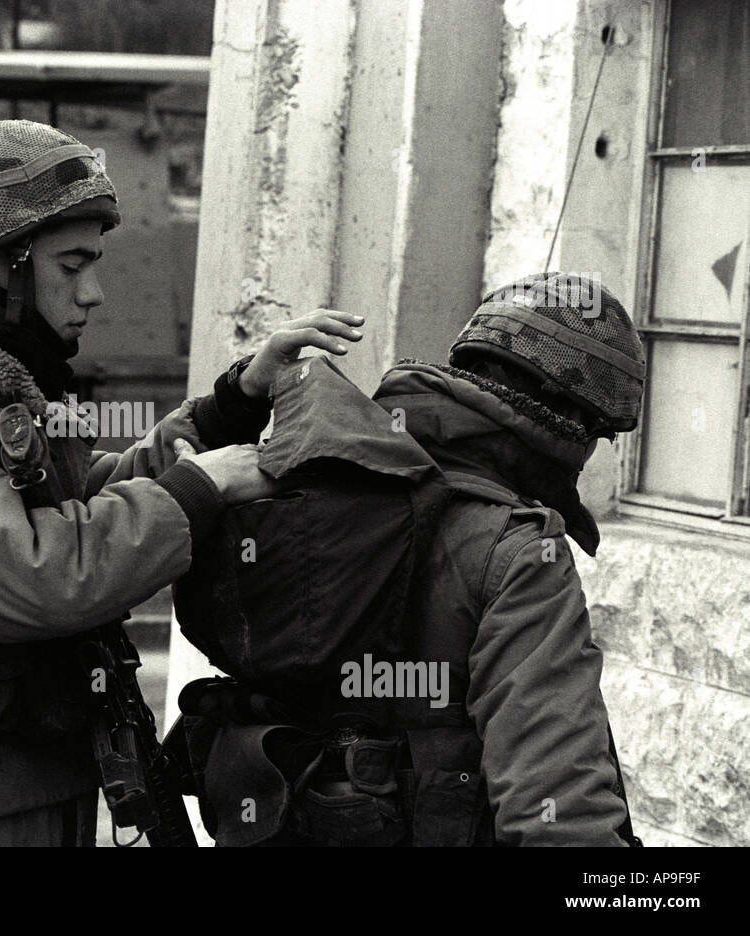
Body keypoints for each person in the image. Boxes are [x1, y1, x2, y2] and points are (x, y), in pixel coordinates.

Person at [0, 118, 364, 846]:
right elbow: (44, 572)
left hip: (17, 805)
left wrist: (236, 402)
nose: (94, 293)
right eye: (71, 266)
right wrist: (202, 488)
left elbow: (92, 504)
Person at [180, 271, 646, 846]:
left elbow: (101, 523)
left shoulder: (300, 476)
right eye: (598, 435)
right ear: (569, 421)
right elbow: (557, 806)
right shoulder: (522, 552)